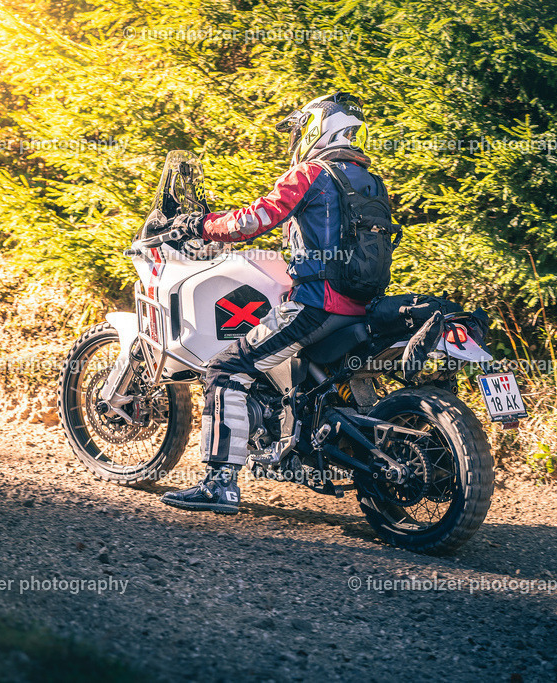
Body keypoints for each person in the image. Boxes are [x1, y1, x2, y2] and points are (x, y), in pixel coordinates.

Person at [161, 92, 388, 513]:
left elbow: (251, 221)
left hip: (317, 306)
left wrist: (199, 224)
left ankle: (220, 483)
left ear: (319, 128)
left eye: (302, 128)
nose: (298, 138)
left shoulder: (312, 173)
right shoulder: (370, 181)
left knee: (226, 368)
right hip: (363, 308)